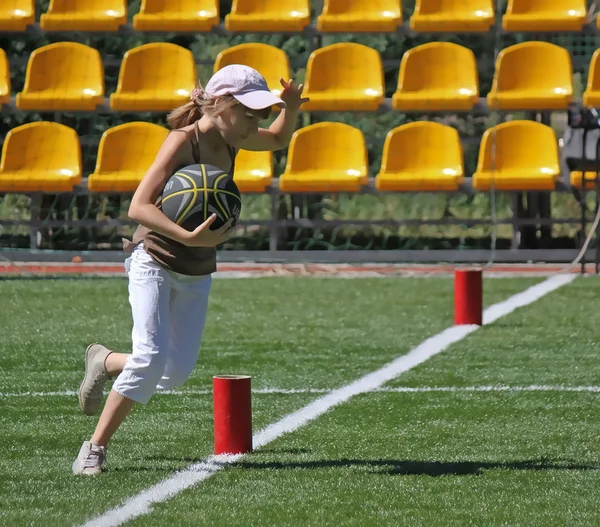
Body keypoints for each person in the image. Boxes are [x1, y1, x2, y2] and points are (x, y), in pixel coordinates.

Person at [72, 64, 309, 475]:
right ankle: (94, 447)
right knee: (150, 358)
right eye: (250, 113)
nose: (257, 123)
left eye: (260, 114)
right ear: (219, 105)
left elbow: (280, 138)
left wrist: (289, 107)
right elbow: (138, 207)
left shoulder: (234, 136)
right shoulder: (183, 140)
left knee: (174, 372)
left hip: (196, 265)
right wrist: (188, 236)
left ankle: (106, 361)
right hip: (154, 258)